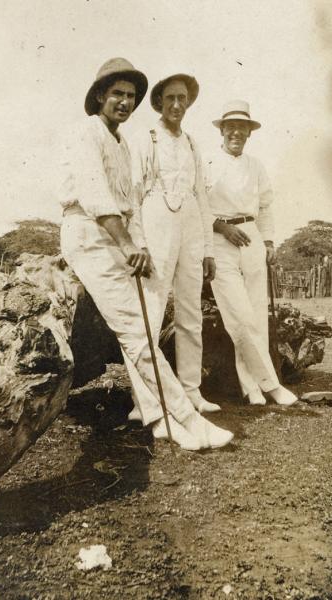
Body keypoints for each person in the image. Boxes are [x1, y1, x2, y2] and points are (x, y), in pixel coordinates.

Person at [58, 58, 233, 450]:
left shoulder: (120, 142)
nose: (124, 102)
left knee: (141, 329)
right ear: (100, 95)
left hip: (115, 236)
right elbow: (95, 195)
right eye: (117, 93)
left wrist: (138, 244)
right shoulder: (85, 133)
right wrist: (126, 244)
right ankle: (182, 420)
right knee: (138, 331)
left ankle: (162, 416)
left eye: (131, 96)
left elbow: (130, 204)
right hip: (87, 234)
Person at [125, 72, 221, 423]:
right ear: (160, 103)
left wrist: (208, 248)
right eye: (170, 99)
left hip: (191, 225)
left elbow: (202, 197)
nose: (177, 105)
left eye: (183, 99)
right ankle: (145, 398)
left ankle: (191, 390)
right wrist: (139, 243)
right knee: (150, 311)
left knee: (190, 310)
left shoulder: (193, 144)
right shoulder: (145, 140)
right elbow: (133, 195)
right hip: (156, 221)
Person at [205, 100, 297, 406]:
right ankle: (271, 385)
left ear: (249, 133)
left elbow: (267, 205)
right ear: (222, 130)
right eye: (230, 127)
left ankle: (251, 387)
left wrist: (269, 242)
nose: (236, 133)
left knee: (256, 316)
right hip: (220, 240)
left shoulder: (255, 165)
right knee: (239, 317)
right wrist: (220, 226)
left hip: (252, 237)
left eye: (242, 129)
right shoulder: (205, 161)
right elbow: (195, 205)